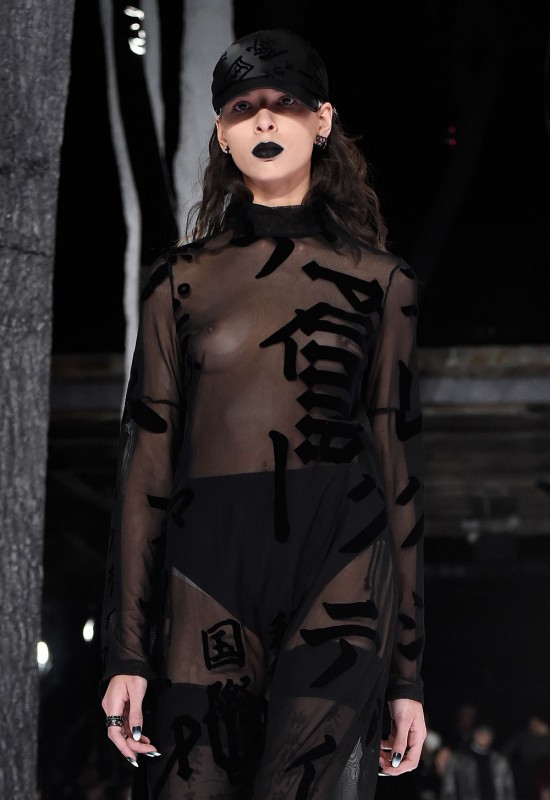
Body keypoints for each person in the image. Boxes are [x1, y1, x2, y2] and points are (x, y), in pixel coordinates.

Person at [100, 27, 427, 799]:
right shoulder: (178, 283)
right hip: (207, 569)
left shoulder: (383, 283)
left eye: (286, 102)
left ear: (323, 120)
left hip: (342, 562)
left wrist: (409, 674)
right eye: (244, 107)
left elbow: (399, 469)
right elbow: (145, 466)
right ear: (222, 132)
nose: (266, 119)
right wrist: (126, 653)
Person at [441, 724, 516, 800]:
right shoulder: (459, 760)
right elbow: (449, 788)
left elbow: (508, 788)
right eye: (481, 733)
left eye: (488, 734)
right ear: (474, 735)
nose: (484, 736)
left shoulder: (500, 761)